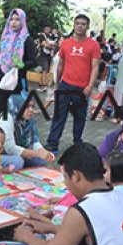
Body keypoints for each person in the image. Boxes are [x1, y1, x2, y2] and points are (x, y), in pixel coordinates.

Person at [46, 14, 101, 151]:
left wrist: (90, 85)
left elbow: (95, 67)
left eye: (83, 24)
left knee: (80, 117)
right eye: (78, 23)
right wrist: (56, 82)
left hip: (82, 88)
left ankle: (77, 143)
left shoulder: (93, 45)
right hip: (65, 85)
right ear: (74, 25)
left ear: (87, 26)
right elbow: (60, 64)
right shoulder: (66, 43)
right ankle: (53, 143)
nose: (80, 26)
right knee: (59, 115)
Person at [0, 9, 37, 122]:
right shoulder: (5, 38)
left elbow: (33, 61)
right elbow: (1, 58)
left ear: (23, 22)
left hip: (16, 82)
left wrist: (21, 65)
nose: (14, 22)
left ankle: (14, 137)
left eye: (17, 19)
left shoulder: (26, 40)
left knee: (15, 112)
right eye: (12, 19)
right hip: (0, 80)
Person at [0, 95, 55, 171]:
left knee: (41, 160)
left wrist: (44, 152)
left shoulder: (29, 120)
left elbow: (34, 141)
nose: (31, 110)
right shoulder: (7, 119)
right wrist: (37, 154)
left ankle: (23, 173)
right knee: (18, 161)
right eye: (27, 107)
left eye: (32, 107)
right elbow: (10, 148)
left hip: (18, 153)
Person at [37, 25, 59, 92]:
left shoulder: (51, 36)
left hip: (49, 55)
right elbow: (45, 45)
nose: (47, 30)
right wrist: (51, 46)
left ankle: (41, 84)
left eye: (48, 29)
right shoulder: (42, 36)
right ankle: (44, 86)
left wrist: (51, 45)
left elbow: (55, 44)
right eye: (46, 29)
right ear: (43, 29)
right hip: (43, 55)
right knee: (45, 70)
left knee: (45, 71)